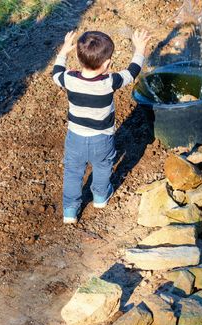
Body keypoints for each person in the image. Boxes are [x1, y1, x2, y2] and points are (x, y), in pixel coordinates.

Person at [52, 29, 151, 224]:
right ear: (107, 64)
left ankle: (70, 211)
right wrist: (139, 49)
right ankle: (99, 197)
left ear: (79, 60)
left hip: (75, 138)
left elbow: (56, 72)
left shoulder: (69, 78)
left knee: (72, 173)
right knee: (103, 166)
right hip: (101, 139)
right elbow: (132, 72)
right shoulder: (109, 81)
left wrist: (64, 51)